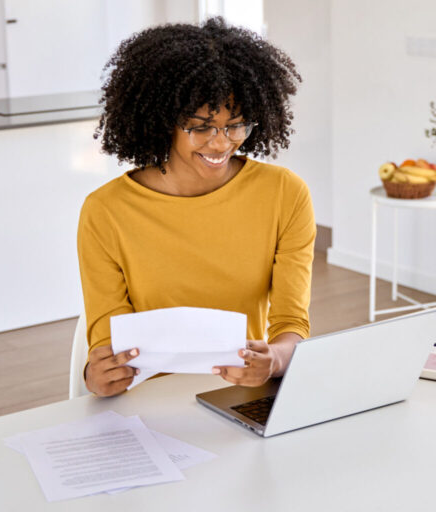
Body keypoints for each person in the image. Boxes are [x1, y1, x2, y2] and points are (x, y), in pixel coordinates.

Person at [78, 17, 315, 397]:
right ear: (160, 122)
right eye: (201, 127)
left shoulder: (284, 194)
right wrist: (96, 374)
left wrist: (275, 359)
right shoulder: (106, 210)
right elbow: (106, 339)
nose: (221, 144)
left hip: (241, 392)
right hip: (146, 402)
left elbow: (291, 323)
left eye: (235, 125)